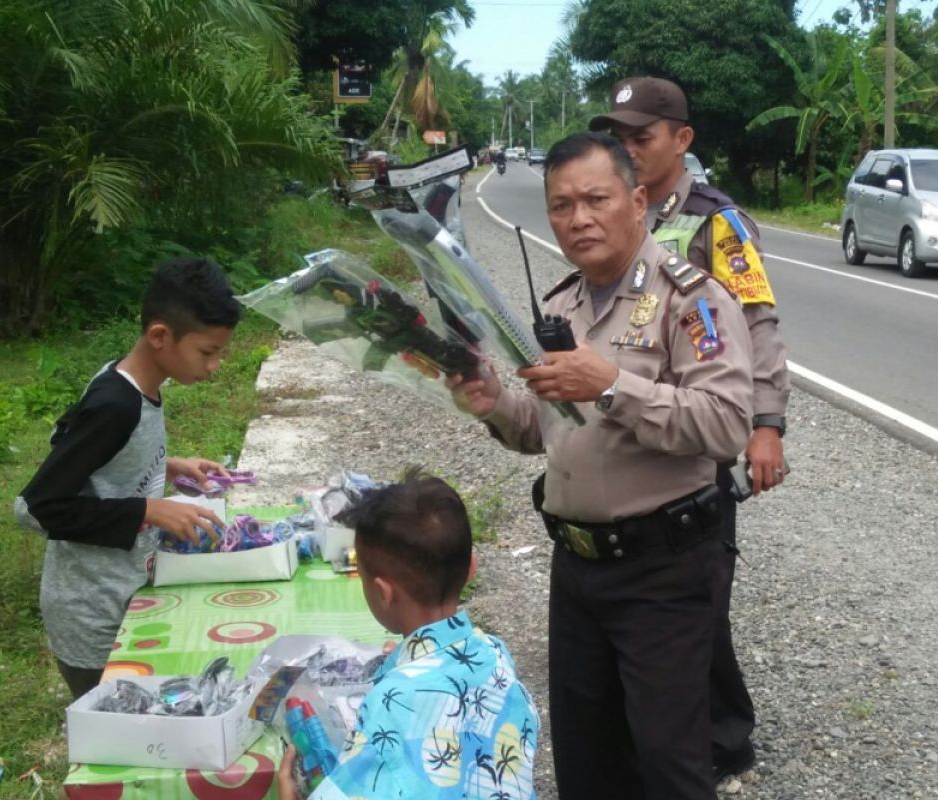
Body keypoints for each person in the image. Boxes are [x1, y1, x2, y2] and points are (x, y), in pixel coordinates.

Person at [451, 132, 753, 800]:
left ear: (637, 200)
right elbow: (547, 430)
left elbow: (727, 423)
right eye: (562, 206)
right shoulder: (560, 307)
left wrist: (612, 384)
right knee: (587, 766)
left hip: (664, 573)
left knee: (668, 766)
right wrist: (494, 402)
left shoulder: (691, 299)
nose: (578, 218)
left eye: (595, 199)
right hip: (579, 569)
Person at [590, 76, 792, 780]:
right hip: (630, 423)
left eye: (640, 138)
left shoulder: (715, 223)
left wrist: (767, 425)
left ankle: (720, 740)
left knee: (696, 595)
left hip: (697, 433)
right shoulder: (621, 211)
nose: (627, 149)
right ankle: (699, 730)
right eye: (617, 137)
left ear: (683, 140)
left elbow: (758, 323)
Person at [14, 258, 240, 700]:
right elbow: (38, 506)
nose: (214, 366)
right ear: (160, 336)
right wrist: (148, 509)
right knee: (114, 738)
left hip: (125, 592)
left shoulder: (134, 384)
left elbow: (87, 452)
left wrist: (167, 465)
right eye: (208, 352)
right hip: (92, 613)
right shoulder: (116, 404)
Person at [277, 471, 539, 800]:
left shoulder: (392, 703)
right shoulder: (496, 653)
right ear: (471, 568)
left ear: (382, 592)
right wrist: (405, 662)